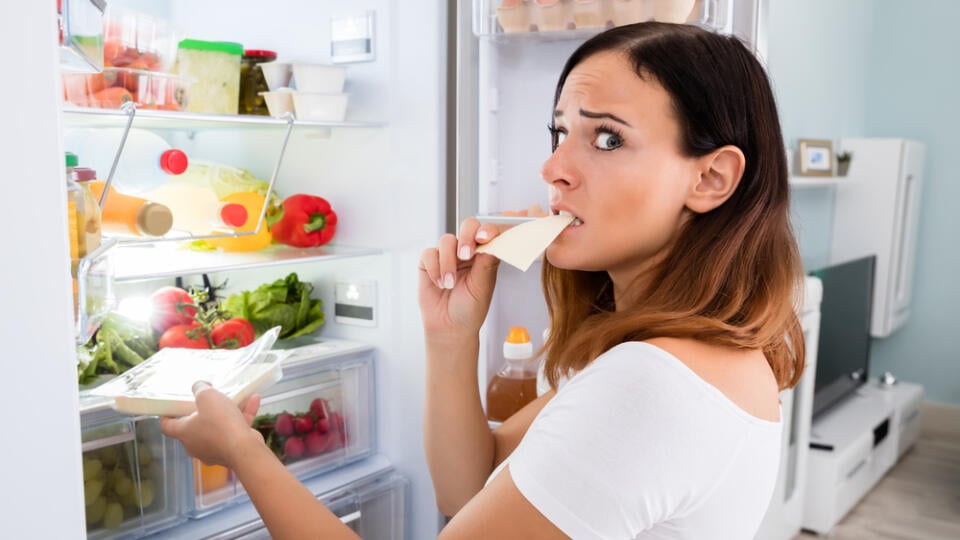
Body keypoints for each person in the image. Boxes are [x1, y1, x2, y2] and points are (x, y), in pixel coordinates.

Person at [161, 21, 805, 539]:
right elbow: (467, 490)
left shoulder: (650, 386)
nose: (554, 167)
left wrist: (244, 451)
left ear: (711, 178)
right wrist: (451, 339)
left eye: (606, 139)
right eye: (560, 132)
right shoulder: (683, 354)